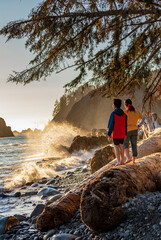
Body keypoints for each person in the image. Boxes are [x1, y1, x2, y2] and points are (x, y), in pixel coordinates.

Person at [107, 98, 127, 166]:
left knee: (116, 146)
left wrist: (109, 133)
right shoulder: (124, 114)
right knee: (121, 146)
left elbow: (111, 124)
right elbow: (125, 125)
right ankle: (123, 161)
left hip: (115, 133)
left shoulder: (113, 114)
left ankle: (118, 162)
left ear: (114, 105)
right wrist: (125, 133)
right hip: (122, 133)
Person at [123, 99, 143, 164]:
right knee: (134, 144)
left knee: (125, 144)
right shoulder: (136, 112)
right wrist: (139, 125)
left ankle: (128, 158)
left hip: (127, 130)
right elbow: (143, 118)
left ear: (125, 105)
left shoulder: (125, 112)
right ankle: (133, 160)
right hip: (135, 130)